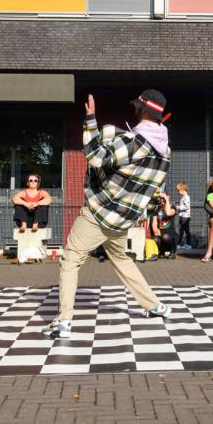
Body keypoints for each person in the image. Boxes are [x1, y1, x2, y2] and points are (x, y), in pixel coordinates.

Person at [47, 91, 173, 339]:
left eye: (137, 107)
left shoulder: (134, 142)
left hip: (100, 212)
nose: (134, 111)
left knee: (70, 260)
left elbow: (96, 158)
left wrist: (91, 120)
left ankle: (64, 321)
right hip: (123, 218)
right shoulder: (165, 151)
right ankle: (155, 306)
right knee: (121, 259)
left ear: (142, 111)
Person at [149, 190, 178, 259]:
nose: (162, 199)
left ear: (168, 197)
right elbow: (154, 222)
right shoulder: (158, 209)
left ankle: (173, 251)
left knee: (165, 237)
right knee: (155, 238)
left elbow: (168, 213)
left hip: (170, 233)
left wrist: (167, 200)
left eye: (163, 198)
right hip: (161, 231)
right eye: (161, 198)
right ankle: (161, 251)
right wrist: (155, 230)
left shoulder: (173, 207)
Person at [175, 182, 193, 249]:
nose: (178, 192)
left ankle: (189, 244)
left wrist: (179, 207)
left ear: (183, 190)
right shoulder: (183, 197)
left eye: (178, 190)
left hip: (185, 217)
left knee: (186, 231)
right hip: (182, 216)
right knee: (181, 230)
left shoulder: (186, 197)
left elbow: (187, 206)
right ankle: (179, 244)